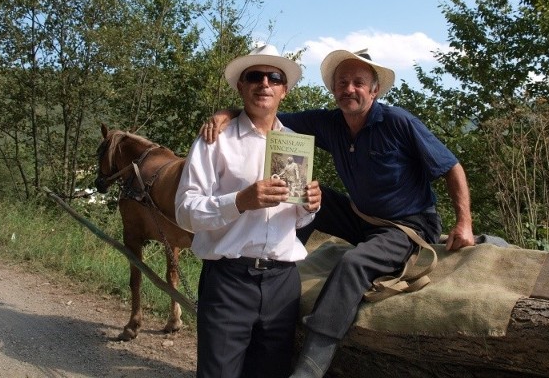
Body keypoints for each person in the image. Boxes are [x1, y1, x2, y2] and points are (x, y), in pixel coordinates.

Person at [203, 48, 475, 378]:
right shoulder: (330, 123)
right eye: (342, 82)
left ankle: (311, 365)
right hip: (364, 218)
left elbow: (452, 167)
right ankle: (278, 269)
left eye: (359, 82)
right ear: (334, 90)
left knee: (352, 264)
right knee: (305, 193)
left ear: (374, 90)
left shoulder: (398, 122)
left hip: (409, 225)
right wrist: (227, 113)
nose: (350, 89)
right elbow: (266, 114)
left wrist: (464, 223)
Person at [175, 44, 322, 378]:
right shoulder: (214, 141)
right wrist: (240, 201)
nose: (264, 83)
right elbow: (185, 212)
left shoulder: (296, 145)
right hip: (229, 282)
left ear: (285, 90)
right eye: (254, 76)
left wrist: (310, 206)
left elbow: (295, 217)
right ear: (241, 86)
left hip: (283, 283)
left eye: (274, 77)